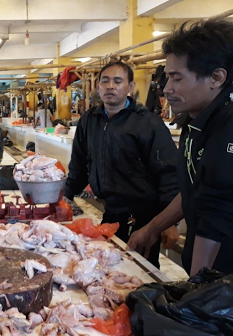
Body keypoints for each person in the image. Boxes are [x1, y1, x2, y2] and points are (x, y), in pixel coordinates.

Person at [128, 20, 233, 275]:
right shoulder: (194, 122)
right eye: (167, 77)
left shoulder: (227, 127)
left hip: (223, 286)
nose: (166, 89)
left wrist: (196, 293)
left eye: (177, 78)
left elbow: (216, 216)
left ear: (216, 78)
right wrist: (152, 229)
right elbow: (193, 190)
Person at [64, 61, 180, 268]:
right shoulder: (89, 121)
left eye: (118, 81)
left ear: (130, 87)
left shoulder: (148, 123)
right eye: (105, 81)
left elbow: (169, 173)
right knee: (108, 268)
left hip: (144, 217)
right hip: (111, 212)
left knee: (142, 271)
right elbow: (79, 165)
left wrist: (169, 221)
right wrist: (64, 197)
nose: (110, 86)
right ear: (97, 86)